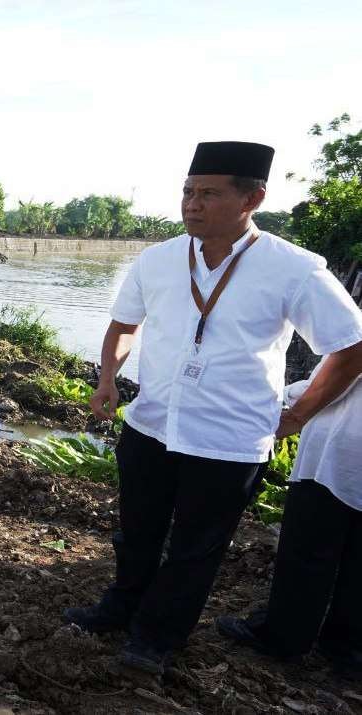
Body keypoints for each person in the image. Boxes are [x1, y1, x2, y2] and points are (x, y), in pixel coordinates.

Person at [66, 141, 362, 676]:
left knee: (195, 549)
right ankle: (121, 605)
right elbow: (124, 325)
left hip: (229, 439)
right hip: (152, 423)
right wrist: (109, 376)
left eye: (208, 193)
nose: (191, 204)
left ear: (253, 198)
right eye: (186, 191)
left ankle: (157, 637)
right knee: (136, 531)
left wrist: (297, 414)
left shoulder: (292, 269)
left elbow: (350, 346)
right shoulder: (156, 260)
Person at [215, 361, 362, 680]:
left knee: (308, 548)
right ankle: (347, 646)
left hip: (344, 445)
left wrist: (288, 399)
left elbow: (344, 370)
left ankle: (284, 636)